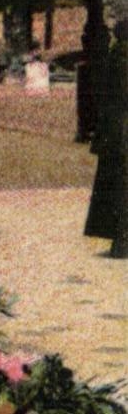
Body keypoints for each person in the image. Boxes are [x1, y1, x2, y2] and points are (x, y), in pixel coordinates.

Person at [83, 17, 127, 256]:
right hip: (123, 132)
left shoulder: (115, 56)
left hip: (114, 133)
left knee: (117, 187)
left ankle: (120, 242)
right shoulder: (121, 57)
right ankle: (122, 242)